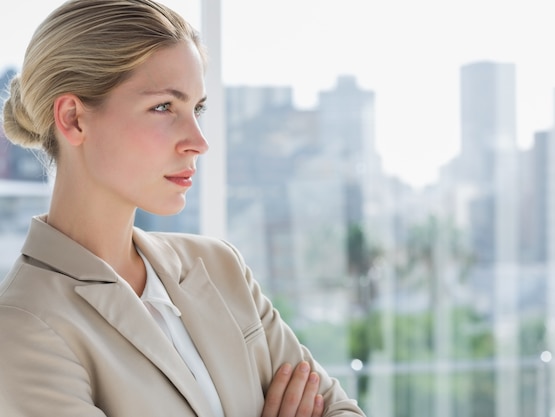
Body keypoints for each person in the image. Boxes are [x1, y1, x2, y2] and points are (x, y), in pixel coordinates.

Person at [0, 1, 366, 416]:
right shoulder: (23, 325)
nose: (198, 140)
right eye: (164, 107)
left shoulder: (219, 266)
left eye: (197, 109)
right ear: (73, 119)